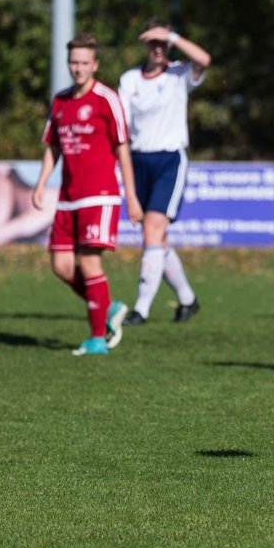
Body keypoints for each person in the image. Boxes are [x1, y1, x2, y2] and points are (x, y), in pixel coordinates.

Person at [32, 33, 142, 355]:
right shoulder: (61, 100)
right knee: (61, 266)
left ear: (94, 64)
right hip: (68, 196)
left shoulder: (106, 99)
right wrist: (41, 184)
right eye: (73, 62)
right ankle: (107, 307)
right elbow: (54, 146)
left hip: (100, 195)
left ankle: (97, 340)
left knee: (90, 263)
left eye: (84, 63)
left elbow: (123, 149)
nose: (78, 68)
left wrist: (131, 196)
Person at [117, 18, 212, 327]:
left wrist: (171, 34)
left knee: (152, 231)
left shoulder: (178, 74)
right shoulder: (130, 79)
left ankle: (141, 310)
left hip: (169, 160)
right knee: (159, 238)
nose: (158, 49)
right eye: (153, 43)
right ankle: (187, 299)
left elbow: (204, 59)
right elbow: (121, 128)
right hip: (138, 159)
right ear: (145, 45)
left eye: (163, 44)